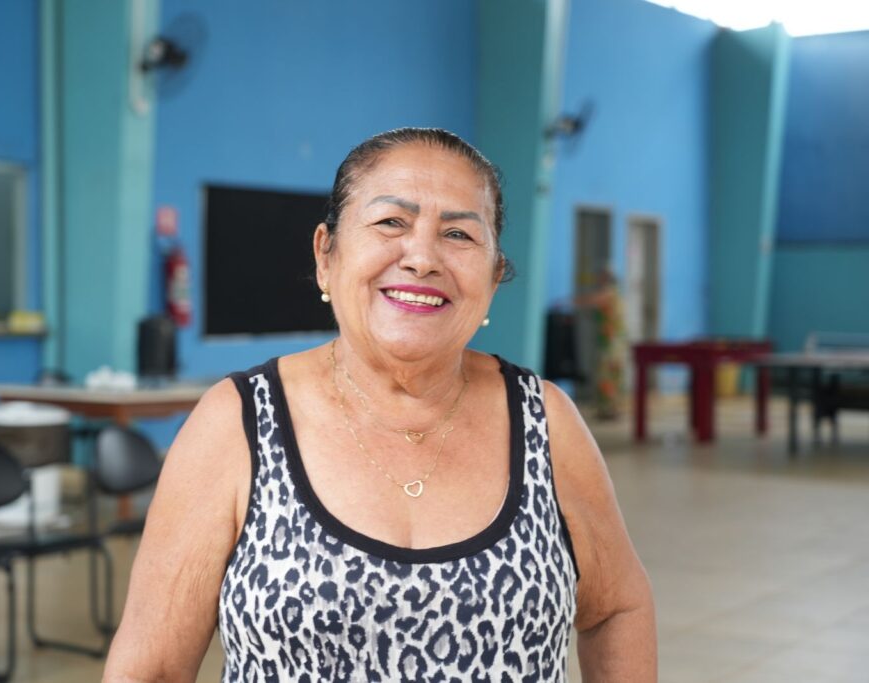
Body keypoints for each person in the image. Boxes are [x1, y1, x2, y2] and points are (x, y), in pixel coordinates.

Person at [103, 128, 656, 682]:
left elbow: (616, 608)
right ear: (326, 254)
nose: (422, 258)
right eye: (391, 222)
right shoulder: (239, 423)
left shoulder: (544, 420)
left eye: (459, 234)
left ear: (492, 277)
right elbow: (152, 669)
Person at [575, 268, 627, 420]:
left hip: (611, 343)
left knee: (607, 374)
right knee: (610, 374)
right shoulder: (616, 293)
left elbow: (593, 300)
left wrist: (574, 301)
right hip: (610, 341)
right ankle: (609, 408)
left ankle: (609, 408)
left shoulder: (609, 292)